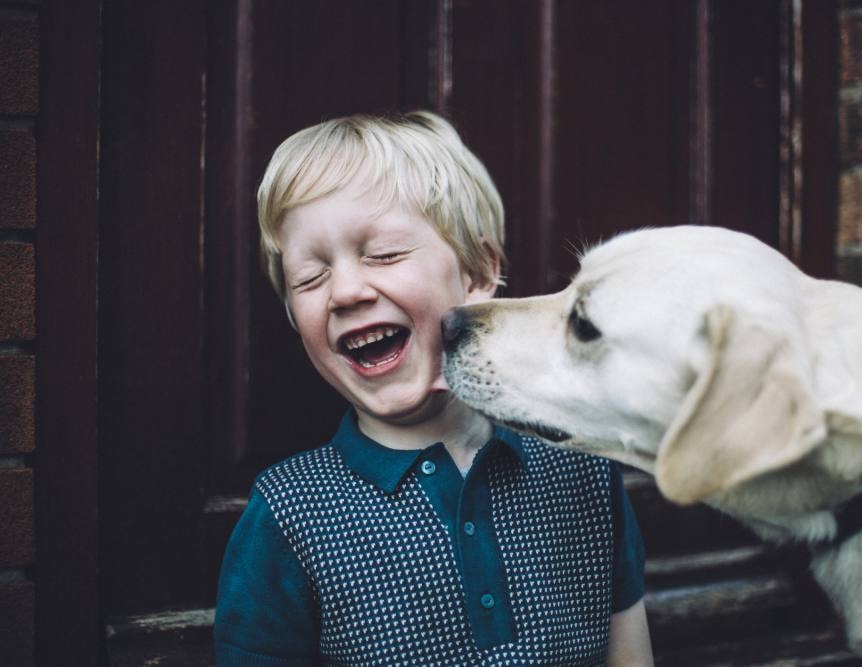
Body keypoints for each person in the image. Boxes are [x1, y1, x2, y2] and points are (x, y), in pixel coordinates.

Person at [214, 110, 653, 666]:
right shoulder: (288, 515)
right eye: (311, 277)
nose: (345, 292)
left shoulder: (582, 467)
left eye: (383, 254)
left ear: (477, 275)